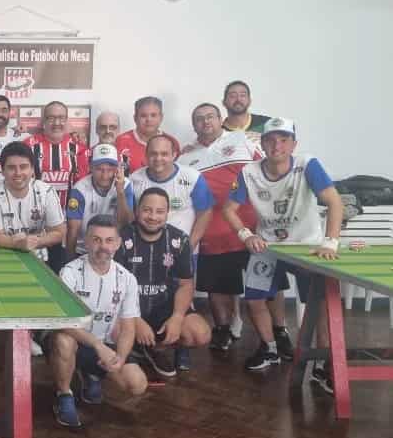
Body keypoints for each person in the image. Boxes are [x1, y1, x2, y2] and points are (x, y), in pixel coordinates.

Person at [223, 117, 343, 386]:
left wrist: (330, 242)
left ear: (293, 144)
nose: (277, 145)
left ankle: (324, 362)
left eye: (284, 139)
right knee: (254, 299)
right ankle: (269, 348)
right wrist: (246, 235)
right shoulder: (248, 172)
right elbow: (228, 209)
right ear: (262, 143)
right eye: (270, 140)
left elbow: (334, 202)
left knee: (320, 304)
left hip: (307, 246)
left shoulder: (307, 164)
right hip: (268, 245)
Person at [42, 215, 147, 428]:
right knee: (63, 340)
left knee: (136, 384)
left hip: (103, 344)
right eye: (97, 240)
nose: (103, 246)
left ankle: (91, 374)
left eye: (109, 240)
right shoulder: (70, 272)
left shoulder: (127, 279)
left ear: (117, 243)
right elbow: (63, 321)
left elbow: (128, 328)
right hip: (74, 340)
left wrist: (120, 357)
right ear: (87, 242)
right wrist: (97, 346)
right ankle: (64, 395)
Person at [177, 103, 268, 351]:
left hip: (251, 229)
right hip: (212, 233)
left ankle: (274, 336)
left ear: (220, 119)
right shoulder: (185, 156)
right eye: (199, 119)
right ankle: (222, 330)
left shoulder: (244, 140)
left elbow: (267, 173)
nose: (205, 122)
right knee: (217, 288)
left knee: (265, 291)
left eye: (210, 117)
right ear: (194, 125)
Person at [114, 188, 212, 378]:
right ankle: (135, 349)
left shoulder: (179, 240)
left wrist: (177, 317)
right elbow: (113, 288)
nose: (153, 217)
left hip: (163, 306)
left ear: (167, 213)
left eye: (159, 211)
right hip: (127, 310)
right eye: (147, 210)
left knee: (200, 334)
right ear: (137, 210)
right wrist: (135, 320)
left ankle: (156, 349)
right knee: (111, 332)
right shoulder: (120, 239)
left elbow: (185, 284)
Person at [24, 100, 90, 272]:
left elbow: (82, 188)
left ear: (67, 120)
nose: (56, 123)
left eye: (61, 118)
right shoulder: (29, 146)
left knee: (62, 272)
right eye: (51, 118)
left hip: (66, 226)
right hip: (34, 225)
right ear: (43, 121)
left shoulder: (79, 149)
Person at [128, 135, 214, 250]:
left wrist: (188, 248)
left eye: (164, 154)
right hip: (146, 252)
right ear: (146, 155)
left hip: (183, 250)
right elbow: (130, 218)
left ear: (174, 155)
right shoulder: (134, 179)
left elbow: (205, 213)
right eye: (153, 154)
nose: (158, 158)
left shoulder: (193, 177)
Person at [0, 142, 65, 262]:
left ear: (32, 169)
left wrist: (34, 242)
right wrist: (18, 244)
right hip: (5, 257)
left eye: (23, 167)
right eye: (11, 168)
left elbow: (58, 232)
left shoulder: (46, 191)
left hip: (40, 258)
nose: (18, 173)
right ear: (2, 170)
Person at [66, 143, 134, 258]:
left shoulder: (125, 184)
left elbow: (126, 222)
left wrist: (120, 192)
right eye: (99, 169)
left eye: (110, 169)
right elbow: (73, 230)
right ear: (90, 167)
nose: (105, 175)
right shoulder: (79, 189)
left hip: (114, 251)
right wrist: (70, 260)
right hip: (84, 250)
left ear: (117, 169)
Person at [115, 96, 181, 173]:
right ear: (135, 118)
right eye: (143, 116)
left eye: (153, 115)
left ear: (161, 117)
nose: (149, 120)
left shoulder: (171, 142)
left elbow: (177, 173)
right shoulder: (121, 141)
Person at [222, 80, 272, 145]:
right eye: (232, 96)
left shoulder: (267, 123)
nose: (238, 99)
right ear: (224, 102)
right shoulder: (219, 132)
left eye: (243, 95)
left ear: (249, 101)